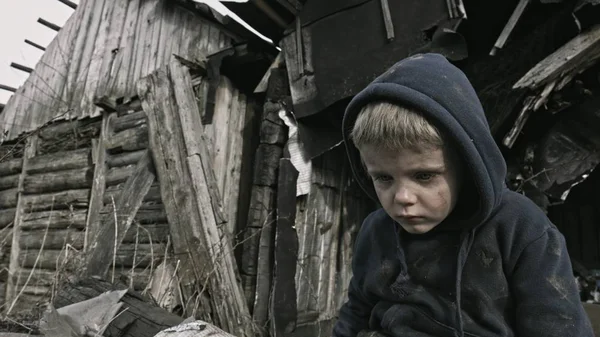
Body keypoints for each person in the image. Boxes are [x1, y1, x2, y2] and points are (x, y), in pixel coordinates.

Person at [332, 53, 593, 337]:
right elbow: (356, 310)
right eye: (383, 178)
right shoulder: (375, 230)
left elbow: (559, 329)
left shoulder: (523, 231)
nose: (403, 197)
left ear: (467, 167)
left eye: (424, 176)